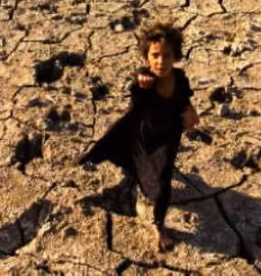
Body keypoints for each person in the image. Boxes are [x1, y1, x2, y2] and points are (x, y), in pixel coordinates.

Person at [80, 20, 198, 252]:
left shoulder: (180, 79)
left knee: (162, 182)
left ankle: (158, 224)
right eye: (155, 55)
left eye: (167, 55)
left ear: (176, 57)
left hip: (169, 138)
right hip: (144, 135)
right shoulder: (145, 83)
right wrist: (141, 78)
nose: (160, 61)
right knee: (137, 165)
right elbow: (138, 85)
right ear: (147, 57)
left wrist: (190, 109)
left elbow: (184, 97)